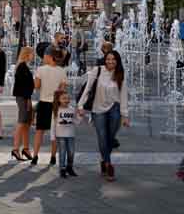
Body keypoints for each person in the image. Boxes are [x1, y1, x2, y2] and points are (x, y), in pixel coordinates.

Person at [77, 49, 130, 180]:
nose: (110, 61)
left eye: (113, 59)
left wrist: (125, 115)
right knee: (102, 137)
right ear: (104, 60)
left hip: (115, 108)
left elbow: (123, 95)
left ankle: (104, 157)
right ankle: (107, 163)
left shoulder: (120, 74)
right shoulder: (97, 71)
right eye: (108, 59)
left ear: (117, 61)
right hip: (97, 108)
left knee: (109, 137)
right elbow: (88, 88)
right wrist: (80, 105)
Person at [8, 45, 36, 162]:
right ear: (27, 54)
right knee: (21, 122)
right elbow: (24, 86)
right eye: (32, 54)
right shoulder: (22, 67)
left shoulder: (23, 66)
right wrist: (28, 99)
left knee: (25, 124)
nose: (33, 56)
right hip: (23, 98)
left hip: (23, 97)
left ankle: (25, 148)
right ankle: (15, 149)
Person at [51, 83, 79, 178]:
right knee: (62, 152)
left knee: (71, 152)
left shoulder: (72, 109)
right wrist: (52, 136)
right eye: (64, 98)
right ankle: (62, 169)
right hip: (60, 135)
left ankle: (69, 167)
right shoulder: (56, 110)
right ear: (58, 100)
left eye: (68, 98)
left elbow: (76, 121)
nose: (66, 100)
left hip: (71, 134)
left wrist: (80, 116)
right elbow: (53, 124)